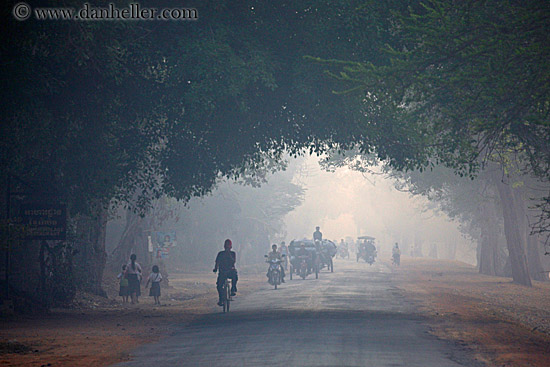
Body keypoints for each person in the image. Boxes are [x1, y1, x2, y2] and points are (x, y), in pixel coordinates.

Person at [213, 239, 238, 306]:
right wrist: (215, 268)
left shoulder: (233, 254)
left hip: (230, 271)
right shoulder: (220, 254)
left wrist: (228, 254)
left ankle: (233, 289)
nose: (227, 248)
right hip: (222, 272)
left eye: (228, 247)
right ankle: (221, 299)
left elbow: (233, 261)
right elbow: (217, 262)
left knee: (235, 275)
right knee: (219, 285)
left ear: (231, 247)